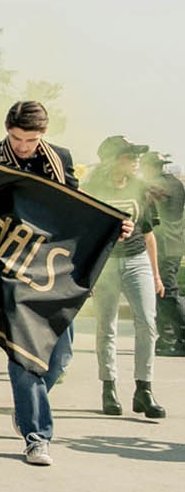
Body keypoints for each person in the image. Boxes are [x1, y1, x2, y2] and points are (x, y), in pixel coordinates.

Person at [0, 101, 86, 466]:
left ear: (43, 135)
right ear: (6, 130)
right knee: (27, 357)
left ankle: (26, 405)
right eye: (16, 138)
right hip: (8, 269)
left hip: (52, 269)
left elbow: (78, 208)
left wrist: (115, 227)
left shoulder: (60, 159)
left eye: (30, 140)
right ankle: (37, 436)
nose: (22, 147)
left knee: (60, 356)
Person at [83, 135, 166, 420]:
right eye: (130, 156)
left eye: (137, 157)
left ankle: (144, 390)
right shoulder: (92, 187)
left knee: (147, 322)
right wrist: (87, 273)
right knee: (107, 326)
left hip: (137, 259)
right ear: (113, 159)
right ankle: (109, 388)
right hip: (105, 263)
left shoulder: (139, 188)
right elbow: (84, 232)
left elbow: (148, 232)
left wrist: (155, 275)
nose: (136, 161)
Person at [142, 151, 185, 357]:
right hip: (167, 245)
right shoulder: (171, 182)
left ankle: (182, 336)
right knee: (158, 293)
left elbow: (145, 189)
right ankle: (167, 338)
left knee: (167, 292)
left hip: (167, 246)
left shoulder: (166, 184)